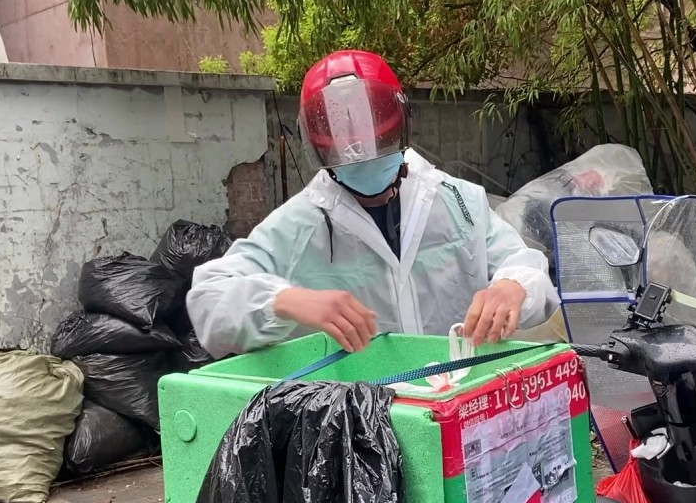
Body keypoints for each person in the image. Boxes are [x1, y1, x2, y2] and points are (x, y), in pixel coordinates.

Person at [188, 49, 560, 358]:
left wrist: (513, 288)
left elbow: (527, 269)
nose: (361, 154)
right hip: (362, 415)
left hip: (459, 398)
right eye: (344, 148)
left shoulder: (458, 202)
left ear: (399, 126)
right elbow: (208, 303)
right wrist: (284, 301)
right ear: (319, 148)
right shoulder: (297, 226)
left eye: (374, 141)